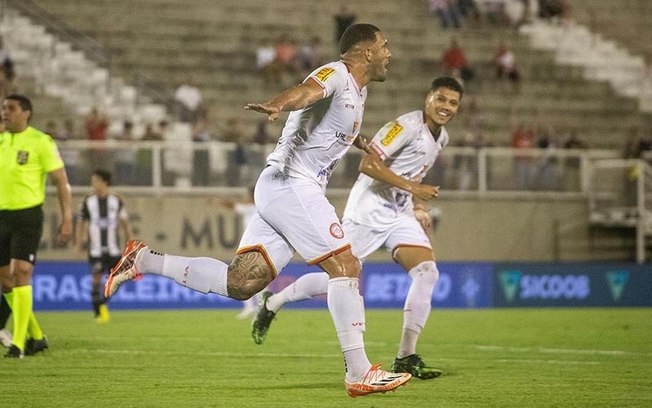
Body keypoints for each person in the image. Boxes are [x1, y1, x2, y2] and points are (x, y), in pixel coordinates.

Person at [103, 24, 413, 397]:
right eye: (384, 46)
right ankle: (359, 371)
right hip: (292, 184)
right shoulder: (338, 74)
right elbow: (308, 91)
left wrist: (357, 140)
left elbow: (326, 124)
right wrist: (279, 103)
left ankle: (143, 260)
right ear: (365, 51)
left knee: (241, 284)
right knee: (346, 266)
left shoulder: (357, 94)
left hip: (281, 189)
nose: (389, 53)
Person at [250, 77, 464, 381]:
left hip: (399, 213)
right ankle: (274, 300)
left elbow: (413, 171)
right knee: (340, 276)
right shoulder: (405, 126)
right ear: (427, 98)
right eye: (441, 99)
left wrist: (416, 204)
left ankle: (405, 356)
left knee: (427, 272)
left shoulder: (440, 137)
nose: (446, 107)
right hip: (368, 211)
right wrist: (413, 188)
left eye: (453, 103)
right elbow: (368, 164)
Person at [0, 94, 73, 358]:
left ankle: (18, 344)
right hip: (1, 217)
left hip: (27, 215)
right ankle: (37, 335)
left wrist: (67, 218)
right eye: (3, 109)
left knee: (21, 271)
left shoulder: (41, 141)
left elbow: (61, 182)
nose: (5, 113)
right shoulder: (1, 140)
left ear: (26, 113)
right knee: (6, 281)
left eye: (11, 109)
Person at [75, 169, 134, 322]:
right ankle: (97, 312)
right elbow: (81, 223)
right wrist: (79, 243)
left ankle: (101, 303)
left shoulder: (116, 200)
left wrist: (131, 243)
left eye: (95, 181)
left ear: (104, 182)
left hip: (113, 249)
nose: (93, 184)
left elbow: (125, 223)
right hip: (96, 250)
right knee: (96, 279)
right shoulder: (88, 201)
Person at [211, 186, 259, 320]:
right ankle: (259, 307)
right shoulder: (263, 208)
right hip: (257, 246)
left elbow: (233, 206)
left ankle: (253, 307)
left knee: (239, 276)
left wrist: (217, 201)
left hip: (252, 247)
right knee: (256, 278)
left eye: (249, 195)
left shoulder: (252, 208)